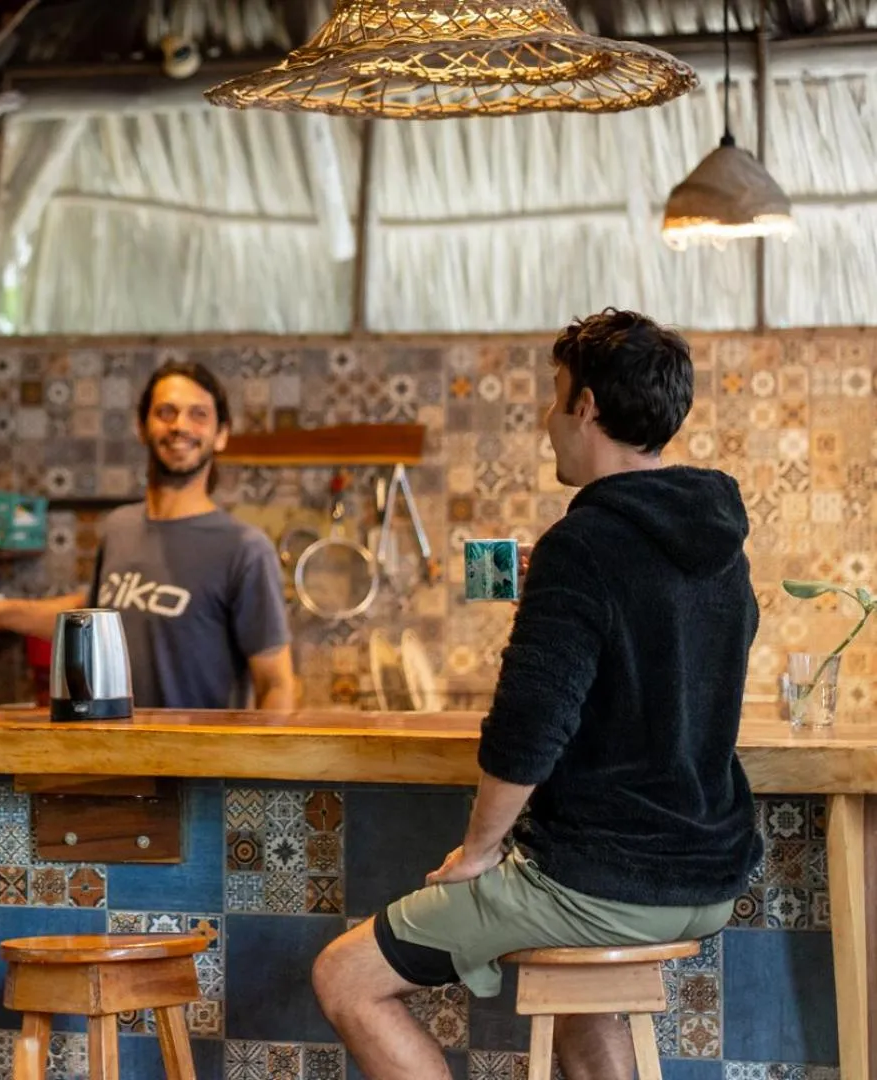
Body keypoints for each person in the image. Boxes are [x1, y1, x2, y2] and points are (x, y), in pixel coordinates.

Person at [311, 309, 762, 1080]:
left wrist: (478, 852)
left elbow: (529, 727)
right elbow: (663, 657)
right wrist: (554, 596)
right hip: (709, 877)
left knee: (345, 978)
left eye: (556, 398)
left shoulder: (584, 543)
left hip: (601, 878)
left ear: (586, 406)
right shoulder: (716, 542)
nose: (547, 419)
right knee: (579, 992)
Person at [0, 360, 295, 710]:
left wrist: (256, 768)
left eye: (198, 414)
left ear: (221, 435)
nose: (180, 426)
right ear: (142, 427)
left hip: (200, 766)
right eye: (166, 412)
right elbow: (92, 613)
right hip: (115, 759)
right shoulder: (120, 528)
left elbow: (276, 684)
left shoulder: (244, 549)